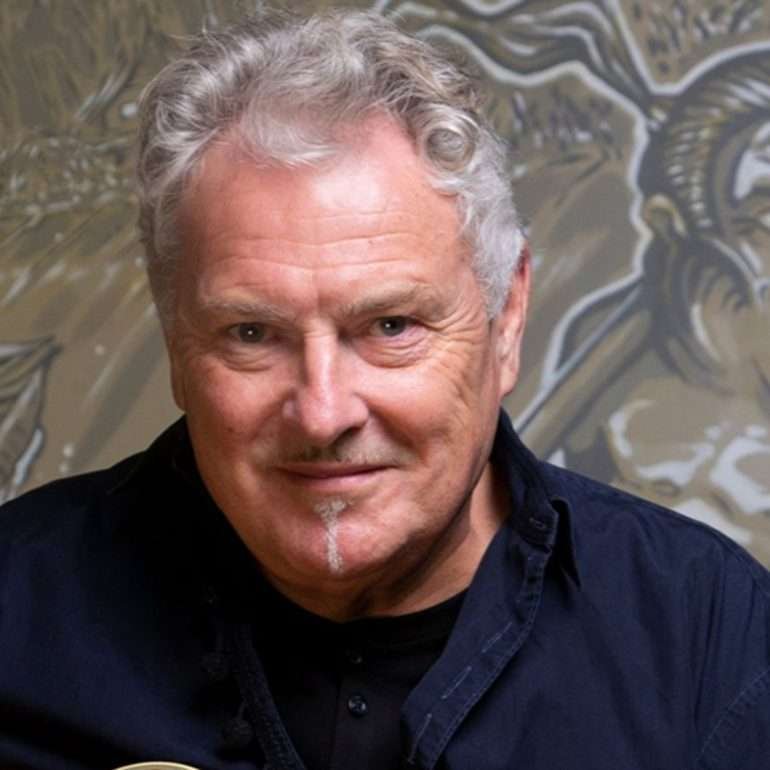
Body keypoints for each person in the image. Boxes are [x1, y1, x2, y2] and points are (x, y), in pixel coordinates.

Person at [1, 8, 768, 770]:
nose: (323, 412)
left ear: (506, 318)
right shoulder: (16, 612)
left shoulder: (712, 646)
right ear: (175, 336)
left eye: (391, 326)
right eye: (251, 333)